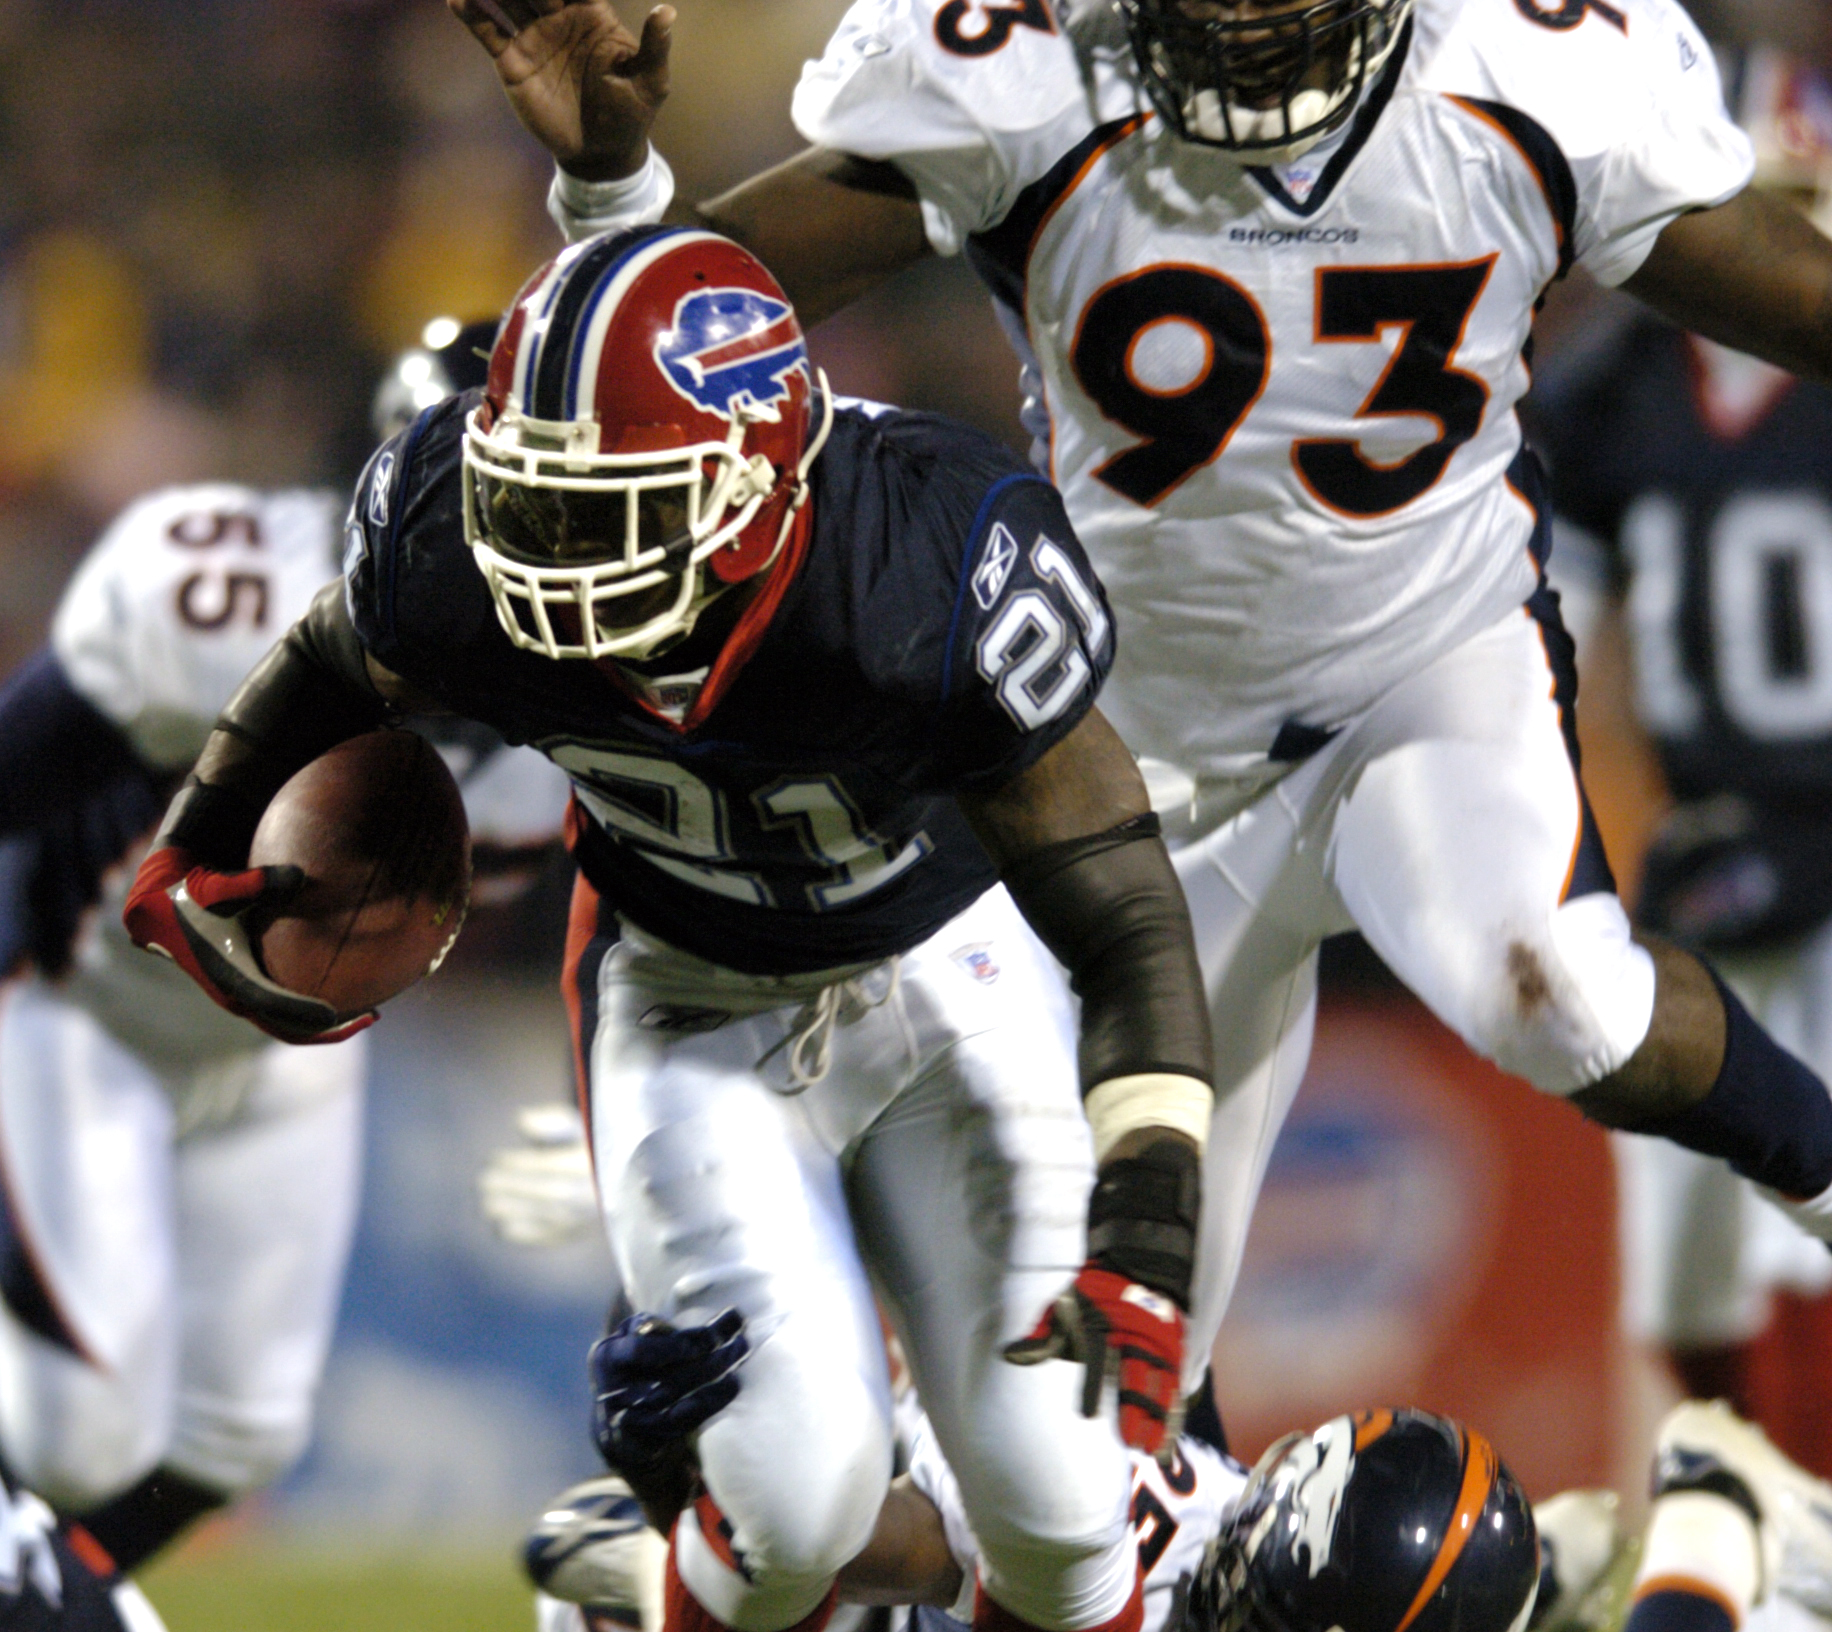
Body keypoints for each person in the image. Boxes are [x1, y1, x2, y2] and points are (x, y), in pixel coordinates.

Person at [446, 0, 1832, 1401]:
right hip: (1116, 744)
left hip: (1425, 668)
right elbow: (691, 328)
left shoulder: (1530, 64)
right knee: (1087, 1379)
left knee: (1566, 999)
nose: (1240, 16)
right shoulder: (1023, 73)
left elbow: (1803, 299)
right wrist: (615, 175)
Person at [122, 228, 1219, 1632]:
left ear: (759, 482)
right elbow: (337, 658)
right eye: (533, 503)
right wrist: (196, 846)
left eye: (605, 514)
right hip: (688, 994)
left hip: (950, 967)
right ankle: (648, 1592)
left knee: (1067, 1511)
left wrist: (1149, 1218)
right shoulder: (454, 541)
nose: (547, 557)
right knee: (794, 1505)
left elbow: (1124, 910)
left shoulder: (922, 569)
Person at [0, 317, 573, 1572]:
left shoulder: (575, 696)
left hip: (286, 1048)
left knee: (235, 1438)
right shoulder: (216, 592)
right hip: (87, 1009)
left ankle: (41, 1593)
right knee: (80, 1437)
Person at [1528, 46, 1832, 1471]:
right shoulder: (1608, 397)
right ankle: (1747, 1531)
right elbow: (1553, 666)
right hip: (1712, 849)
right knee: (1692, 1280)